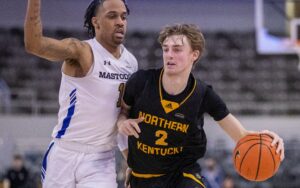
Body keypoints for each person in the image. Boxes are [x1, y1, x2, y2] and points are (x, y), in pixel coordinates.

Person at [116, 24, 285, 188]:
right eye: (166, 49)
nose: (169, 55)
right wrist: (122, 122)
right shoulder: (141, 81)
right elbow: (122, 112)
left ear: (194, 54)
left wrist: (269, 140)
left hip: (182, 174)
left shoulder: (203, 94)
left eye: (177, 49)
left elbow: (241, 135)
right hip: (143, 176)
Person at [24, 0, 138, 187]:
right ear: (96, 22)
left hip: (101, 159)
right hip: (64, 153)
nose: (120, 22)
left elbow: (122, 119)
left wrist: (132, 162)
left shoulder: (131, 63)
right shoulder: (82, 51)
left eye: (123, 17)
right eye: (112, 16)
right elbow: (34, 44)